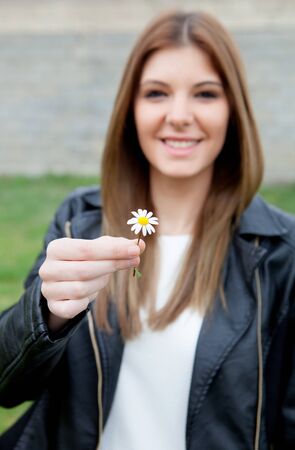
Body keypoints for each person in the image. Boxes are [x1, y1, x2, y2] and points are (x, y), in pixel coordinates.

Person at [0, 10, 294, 450]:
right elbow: (8, 386)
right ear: (130, 109)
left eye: (205, 94)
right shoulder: (79, 220)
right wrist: (47, 314)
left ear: (233, 109)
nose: (179, 116)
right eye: (156, 93)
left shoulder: (279, 251)